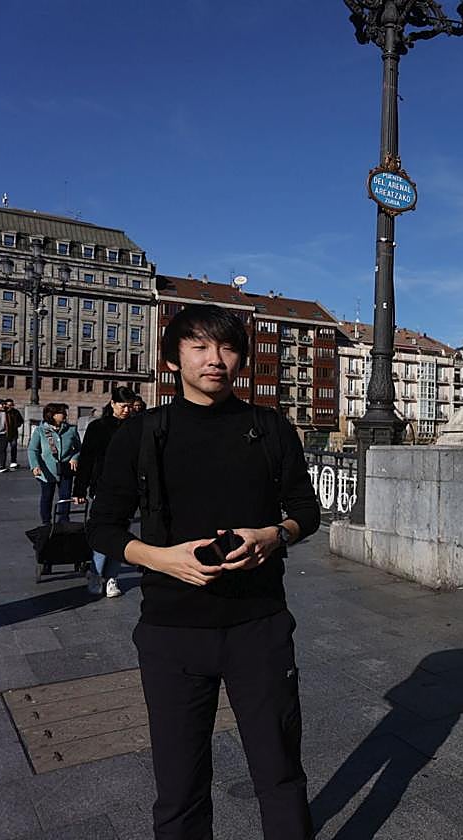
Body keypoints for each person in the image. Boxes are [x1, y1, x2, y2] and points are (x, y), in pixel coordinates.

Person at [87, 304, 318, 840]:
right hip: (172, 630)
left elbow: (305, 511)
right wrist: (161, 558)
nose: (215, 359)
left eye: (228, 347)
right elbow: (102, 528)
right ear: (172, 359)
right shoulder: (144, 433)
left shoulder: (269, 428)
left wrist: (273, 536)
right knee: (179, 785)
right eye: (199, 346)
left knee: (280, 773)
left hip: (258, 625)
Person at [74, 386, 137, 598]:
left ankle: (112, 577)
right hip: (102, 486)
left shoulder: (136, 426)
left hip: (130, 488)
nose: (127, 410)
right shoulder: (97, 427)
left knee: (122, 533)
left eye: (130, 406)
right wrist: (79, 489)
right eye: (123, 406)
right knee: (103, 531)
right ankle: (95, 573)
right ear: (112, 404)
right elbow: (86, 459)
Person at [28, 402, 81, 524]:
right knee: (47, 497)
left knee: (65, 496)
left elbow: (79, 448)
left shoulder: (71, 430)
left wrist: (75, 458)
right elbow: (33, 449)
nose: (65, 415)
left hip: (66, 468)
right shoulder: (40, 431)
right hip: (47, 470)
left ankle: (63, 520)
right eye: (62, 412)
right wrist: (35, 465)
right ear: (52, 415)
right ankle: (46, 521)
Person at [5, 399, 24, 469]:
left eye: (11, 405)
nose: (10, 406)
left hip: (13, 433)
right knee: (3, 449)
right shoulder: (4, 412)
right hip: (5, 433)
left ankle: (13, 462)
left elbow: (21, 420)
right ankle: (2, 463)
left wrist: (17, 425)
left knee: (13, 448)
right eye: (9, 405)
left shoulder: (15, 412)